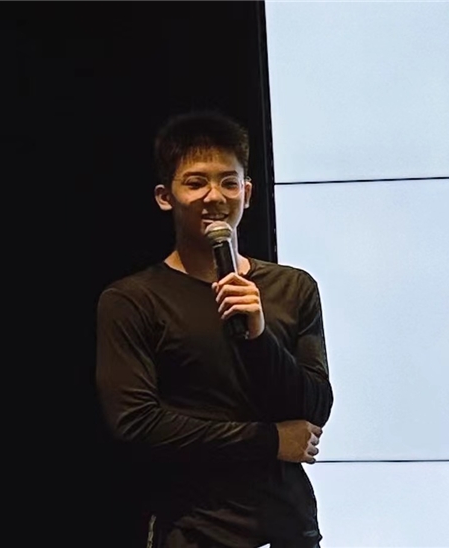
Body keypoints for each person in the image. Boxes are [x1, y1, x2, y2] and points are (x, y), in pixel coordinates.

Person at [95, 110, 334, 548]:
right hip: (194, 528)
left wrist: (260, 336)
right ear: (165, 196)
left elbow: (314, 407)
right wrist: (268, 440)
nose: (215, 196)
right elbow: (137, 423)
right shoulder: (133, 299)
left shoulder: (293, 287)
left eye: (228, 182)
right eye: (196, 183)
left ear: (248, 192)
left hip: (288, 525)